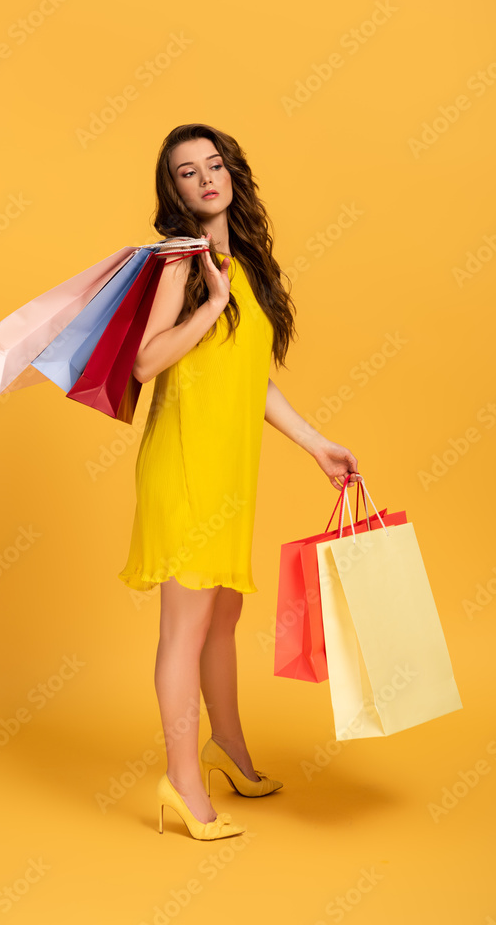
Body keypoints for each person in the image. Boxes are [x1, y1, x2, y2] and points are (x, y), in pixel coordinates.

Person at [117, 123, 359, 840]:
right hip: (186, 465)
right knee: (185, 629)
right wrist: (209, 306)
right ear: (174, 191)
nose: (204, 180)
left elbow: (251, 380)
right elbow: (144, 362)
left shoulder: (245, 263)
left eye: (212, 165)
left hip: (230, 469)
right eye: (186, 173)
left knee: (223, 617)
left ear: (231, 175)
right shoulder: (180, 265)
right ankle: (182, 782)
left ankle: (229, 750)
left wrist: (316, 444)